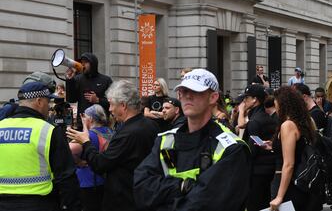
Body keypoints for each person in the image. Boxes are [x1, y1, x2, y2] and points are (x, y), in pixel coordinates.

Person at [133, 68, 251, 211]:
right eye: (183, 91)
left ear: (213, 97)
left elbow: (208, 204)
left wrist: (164, 195)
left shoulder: (231, 148)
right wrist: (183, 187)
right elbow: (141, 189)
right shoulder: (166, 140)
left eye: (195, 91)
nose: (187, 96)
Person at [66, 80, 160, 211]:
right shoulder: (151, 125)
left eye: (111, 104)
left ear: (123, 105)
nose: (109, 109)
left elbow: (100, 164)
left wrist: (86, 142)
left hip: (125, 198)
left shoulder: (128, 133)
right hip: (144, 195)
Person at [0, 81, 80, 211]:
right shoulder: (48, 130)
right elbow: (66, 177)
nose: (50, 107)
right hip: (39, 203)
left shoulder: (1, 126)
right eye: (48, 102)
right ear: (39, 101)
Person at [263, 86, 317, 211]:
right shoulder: (304, 122)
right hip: (300, 182)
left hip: (287, 182)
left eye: (276, 104)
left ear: (282, 104)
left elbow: (288, 164)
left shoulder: (288, 125)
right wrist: (273, 146)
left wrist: (279, 196)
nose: (275, 108)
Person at [70, 104, 114, 211]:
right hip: (107, 181)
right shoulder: (111, 131)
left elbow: (70, 149)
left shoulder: (88, 136)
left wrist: (78, 161)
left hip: (88, 181)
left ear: (90, 118)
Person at [240, 84, 277, 211]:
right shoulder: (267, 117)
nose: (244, 101)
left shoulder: (255, 121)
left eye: (246, 98)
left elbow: (251, 150)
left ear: (255, 99)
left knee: (255, 205)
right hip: (269, 169)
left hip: (257, 172)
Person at [66, 52, 113, 130]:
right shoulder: (78, 79)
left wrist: (98, 100)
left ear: (93, 64)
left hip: (101, 125)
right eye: (82, 62)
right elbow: (71, 99)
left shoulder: (106, 80)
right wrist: (69, 81)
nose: (83, 65)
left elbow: (112, 102)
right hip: (83, 124)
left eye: (86, 62)